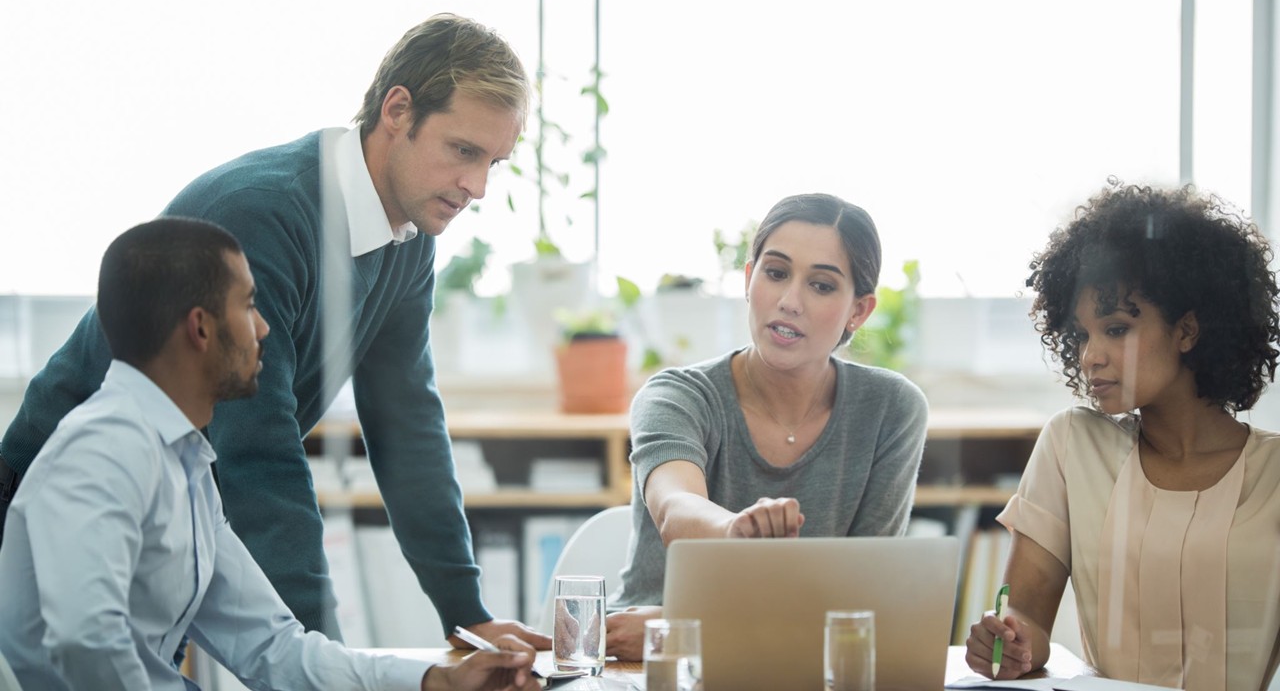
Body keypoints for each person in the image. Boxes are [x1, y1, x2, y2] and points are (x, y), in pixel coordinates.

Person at [0, 12, 547, 650]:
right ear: (397, 110)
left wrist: (467, 616)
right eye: (463, 151)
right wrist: (322, 658)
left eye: (494, 163)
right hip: (61, 514)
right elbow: (258, 454)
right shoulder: (264, 215)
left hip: (166, 517)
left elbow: (408, 427)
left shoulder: (408, 240)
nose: (476, 187)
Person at [0, 218, 540, 691]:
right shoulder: (101, 452)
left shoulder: (183, 462)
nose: (264, 328)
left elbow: (274, 649)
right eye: (249, 305)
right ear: (201, 327)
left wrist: (432, 680)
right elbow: (85, 640)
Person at [964, 182, 1280, 691]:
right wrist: (1012, 644)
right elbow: (1027, 614)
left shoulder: (1274, 474)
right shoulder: (1071, 446)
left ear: (1187, 330)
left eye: (1115, 329)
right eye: (1082, 334)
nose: (1090, 355)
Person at [603, 193, 929, 661]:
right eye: (775, 274)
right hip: (650, 657)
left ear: (859, 311)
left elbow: (863, 599)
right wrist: (735, 532)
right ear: (749, 278)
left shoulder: (892, 409)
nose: (789, 301)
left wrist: (698, 628)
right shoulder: (676, 396)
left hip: (791, 658)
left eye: (821, 285)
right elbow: (676, 510)